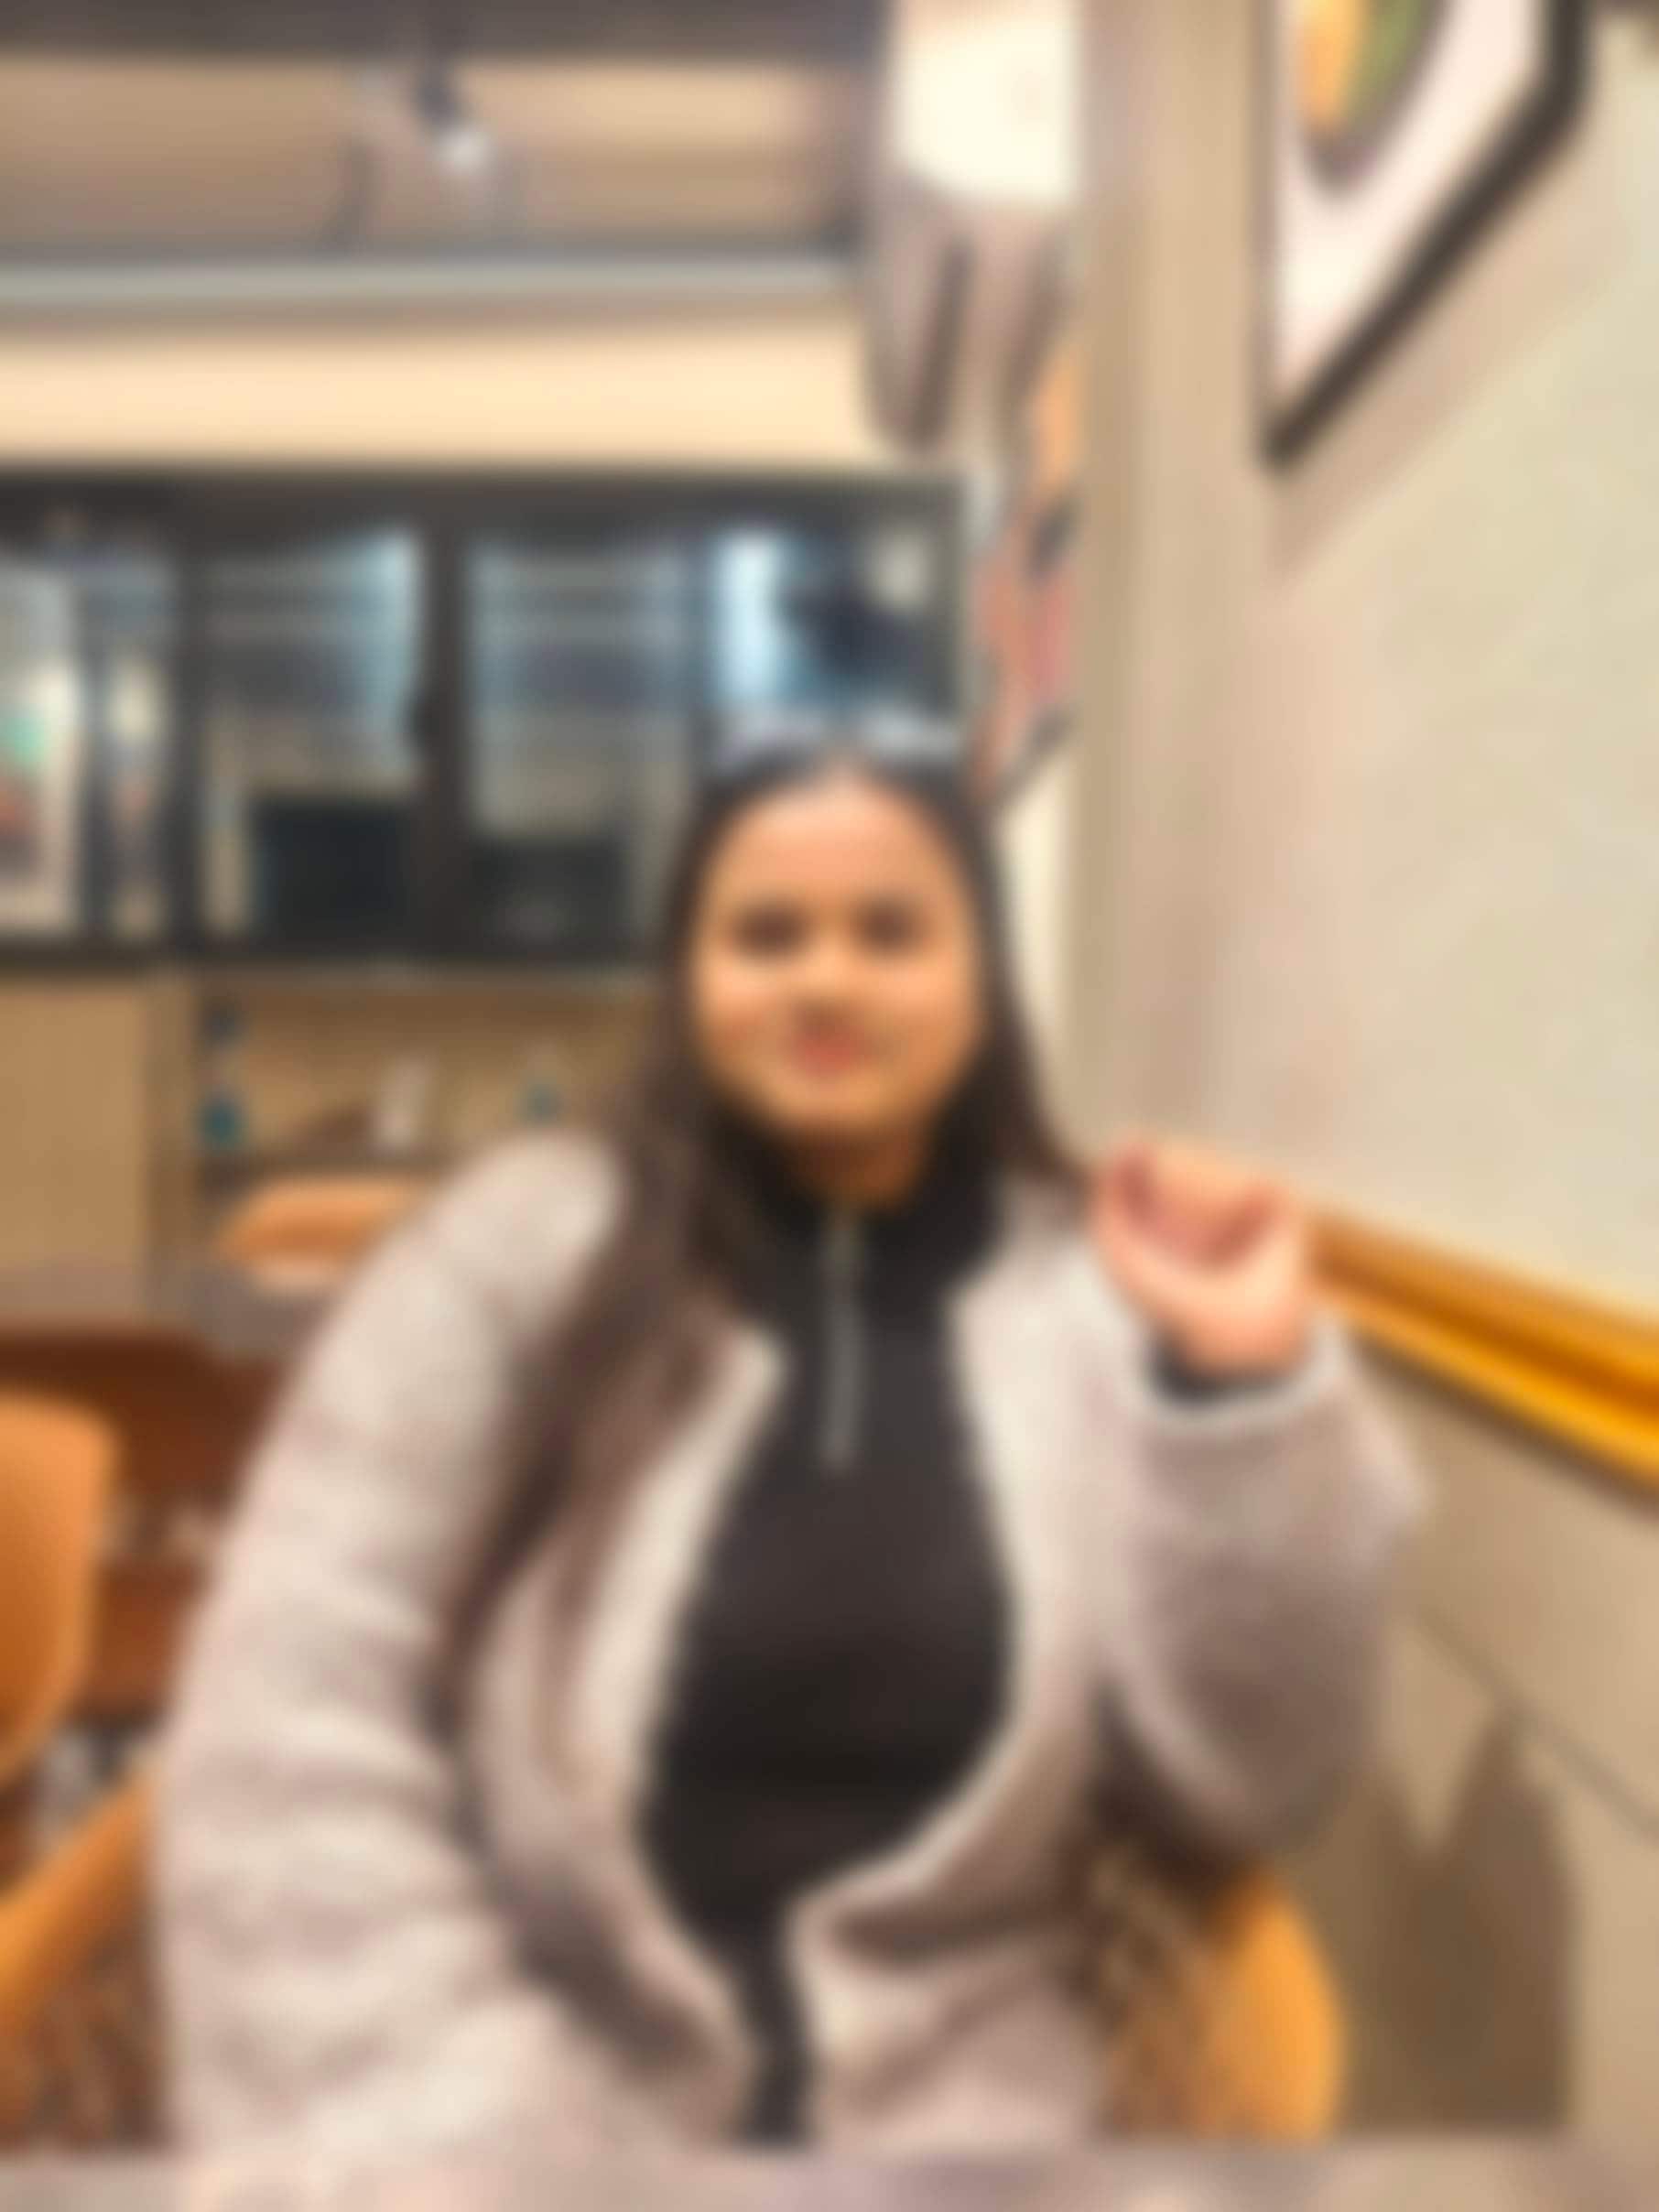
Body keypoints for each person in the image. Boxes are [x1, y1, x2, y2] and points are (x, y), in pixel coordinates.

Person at [159, 743, 1421, 2162]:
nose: (826, 981)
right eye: (766, 935)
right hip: (523, 2122)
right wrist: (472, 2134)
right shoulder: (512, 1255)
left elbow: (1255, 1783)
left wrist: (1236, 1387)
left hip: (969, 2153)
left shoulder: (1085, 1304)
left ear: (984, 976)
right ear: (686, 978)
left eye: (891, 932)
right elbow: (287, 1705)